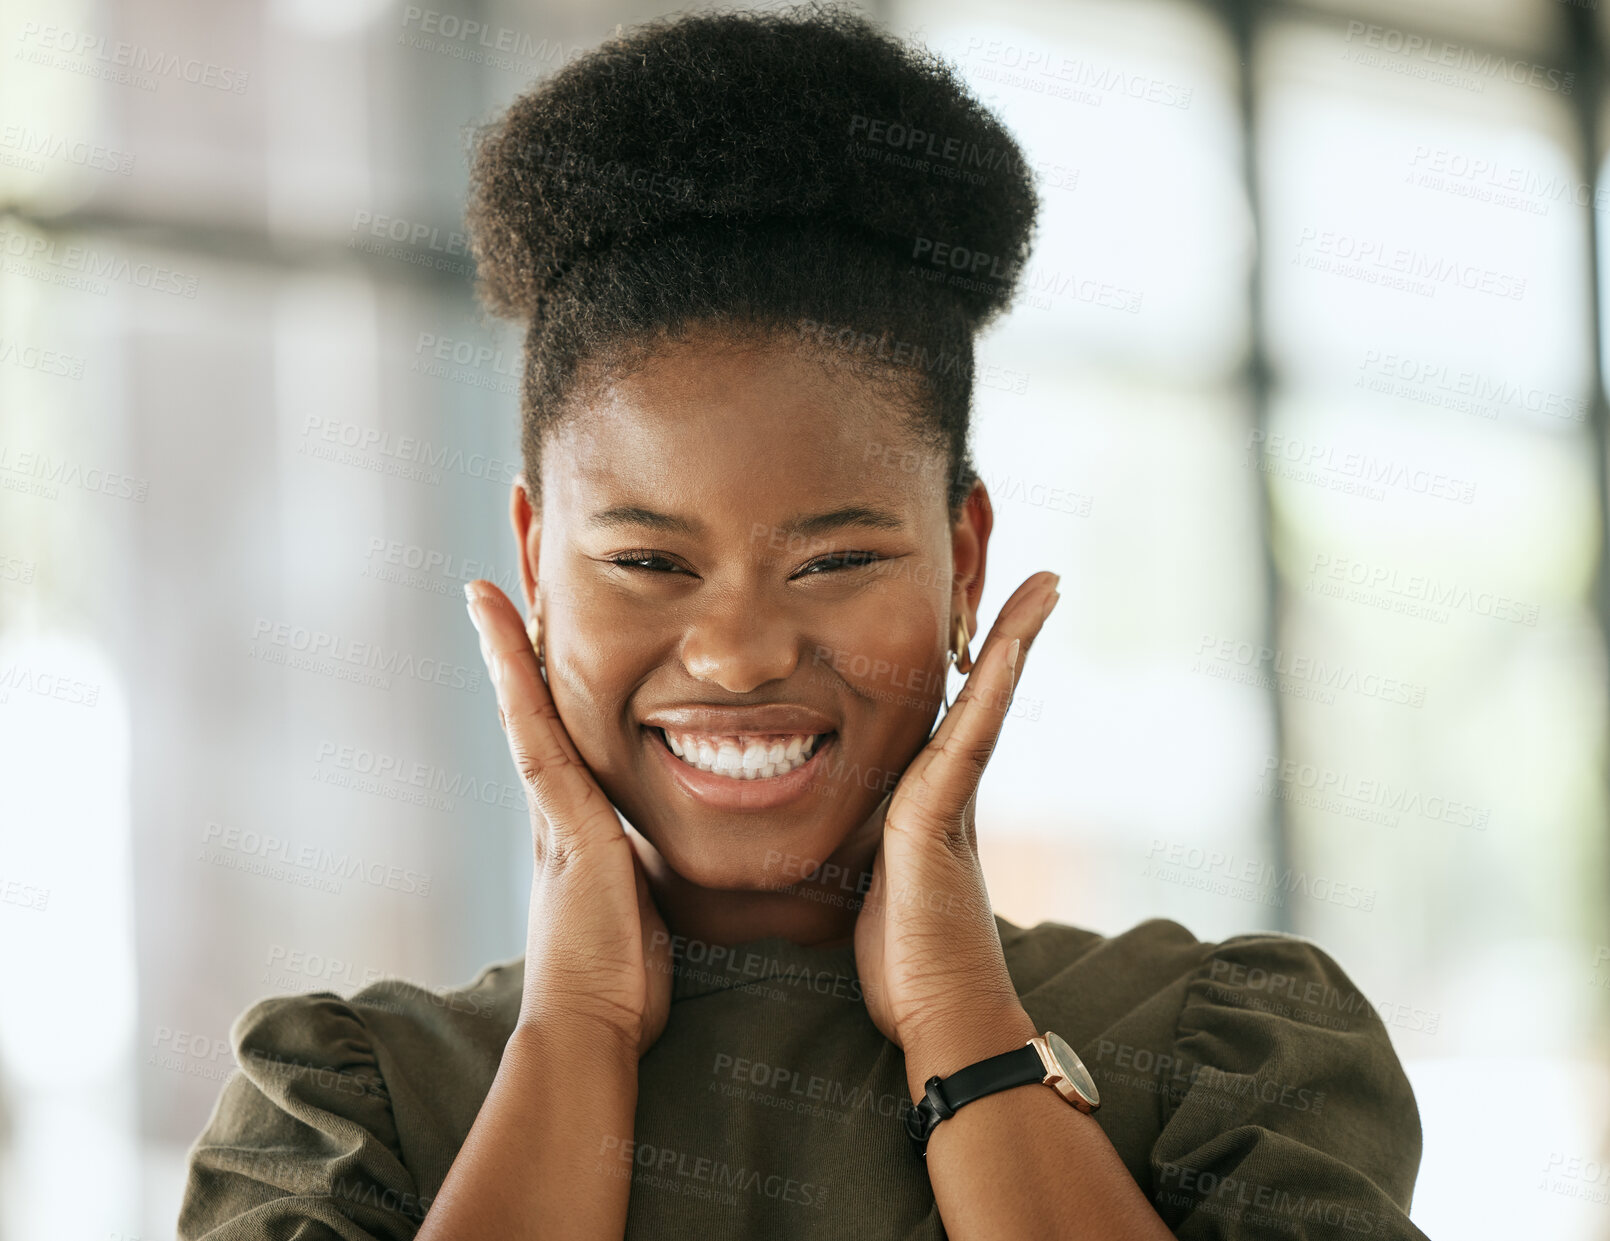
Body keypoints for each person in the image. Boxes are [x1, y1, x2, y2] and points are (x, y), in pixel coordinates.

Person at [176, 4, 1427, 1238]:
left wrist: (961, 1018)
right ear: (535, 564)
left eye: (832, 558)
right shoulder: (350, 1107)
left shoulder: (1227, 1055)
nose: (736, 652)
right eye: (646, 557)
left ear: (962, 561)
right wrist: (574, 1032)